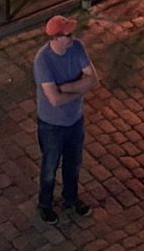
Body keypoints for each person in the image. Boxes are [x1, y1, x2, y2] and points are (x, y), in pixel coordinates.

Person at [33, 16, 97, 222]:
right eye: (68, 35)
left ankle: (71, 198)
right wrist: (80, 88)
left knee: (73, 164)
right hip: (52, 125)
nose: (73, 38)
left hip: (75, 120)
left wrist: (67, 88)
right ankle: (45, 203)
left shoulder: (77, 47)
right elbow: (55, 100)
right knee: (50, 168)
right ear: (57, 38)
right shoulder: (43, 60)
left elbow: (93, 79)